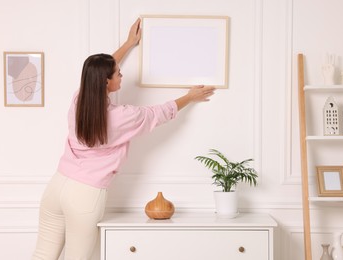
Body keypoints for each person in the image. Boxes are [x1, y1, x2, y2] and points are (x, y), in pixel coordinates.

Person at [32, 18, 215, 260]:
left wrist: (129, 44)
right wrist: (189, 97)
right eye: (118, 73)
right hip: (84, 194)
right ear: (106, 81)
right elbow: (158, 114)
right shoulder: (120, 117)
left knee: (41, 256)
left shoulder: (79, 100)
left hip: (56, 186)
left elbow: (97, 72)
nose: (121, 74)